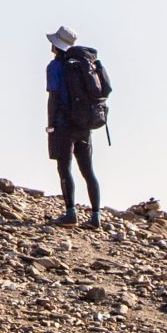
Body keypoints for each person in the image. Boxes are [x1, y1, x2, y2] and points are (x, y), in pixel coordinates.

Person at [44, 26, 111, 226]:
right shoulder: (84, 65)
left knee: (64, 168)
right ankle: (95, 216)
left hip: (64, 124)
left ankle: (70, 213)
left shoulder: (55, 66)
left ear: (56, 45)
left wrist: (50, 125)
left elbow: (53, 96)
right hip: (84, 123)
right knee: (88, 171)